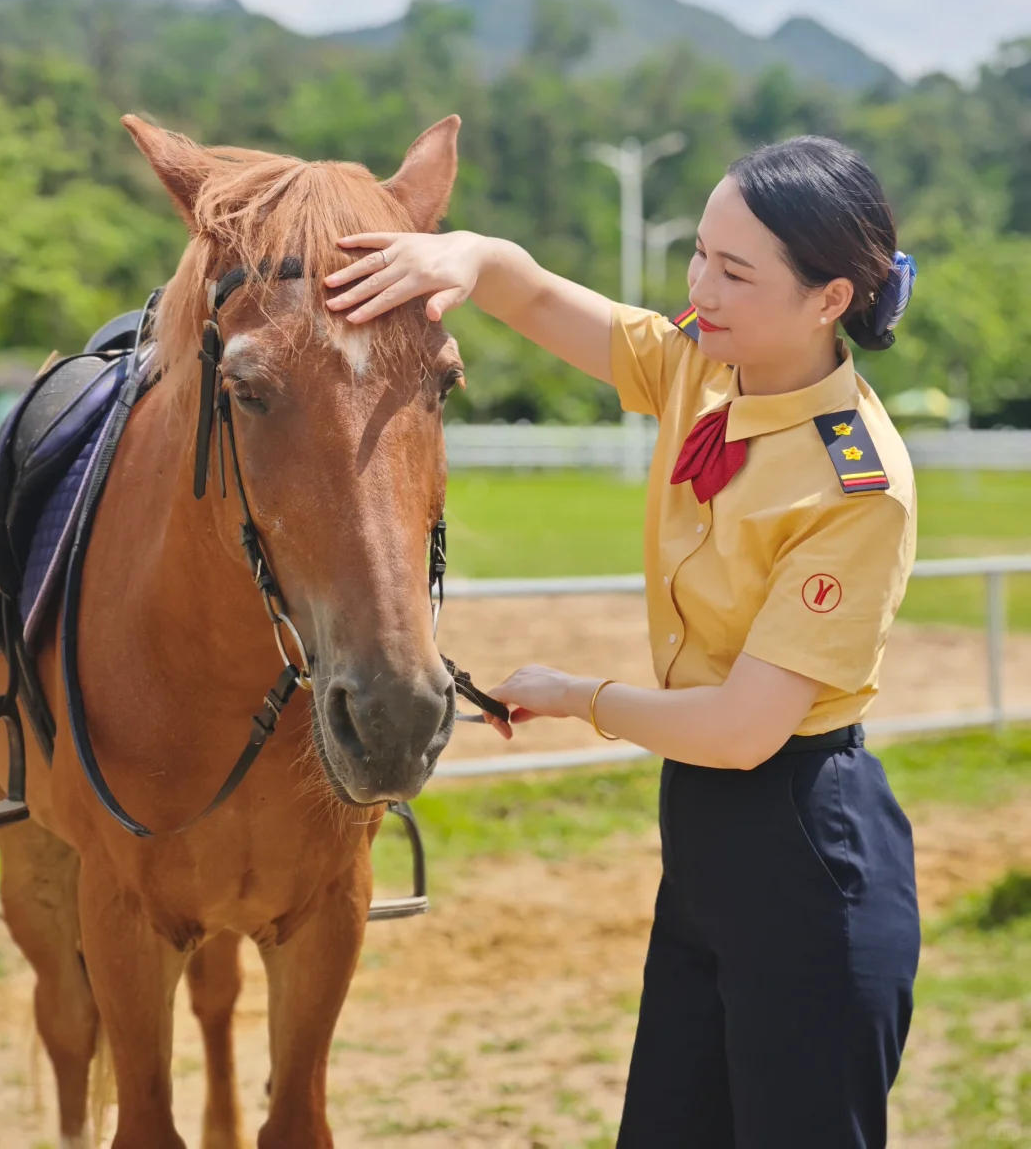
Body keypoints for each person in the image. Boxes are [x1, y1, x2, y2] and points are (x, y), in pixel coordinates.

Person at [324, 135, 921, 1149]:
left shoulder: (857, 487)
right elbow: (544, 299)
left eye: (734, 271)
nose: (702, 285)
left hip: (803, 852)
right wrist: (467, 257)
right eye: (699, 254)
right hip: (705, 847)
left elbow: (743, 731)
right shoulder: (706, 362)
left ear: (830, 299)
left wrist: (575, 694)